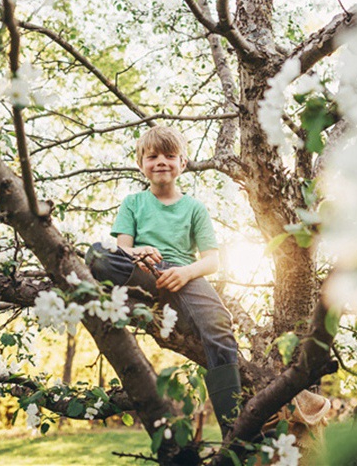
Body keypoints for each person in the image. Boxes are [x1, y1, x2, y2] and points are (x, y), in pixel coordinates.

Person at [85, 126, 241, 437]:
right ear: (140, 163)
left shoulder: (194, 208)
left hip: (184, 277)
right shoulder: (134, 203)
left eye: (170, 156)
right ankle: (151, 299)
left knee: (220, 328)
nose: (161, 162)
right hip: (145, 272)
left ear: (183, 163)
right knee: (97, 255)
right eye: (152, 156)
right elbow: (122, 249)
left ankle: (236, 430)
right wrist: (138, 251)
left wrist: (185, 272)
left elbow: (212, 260)